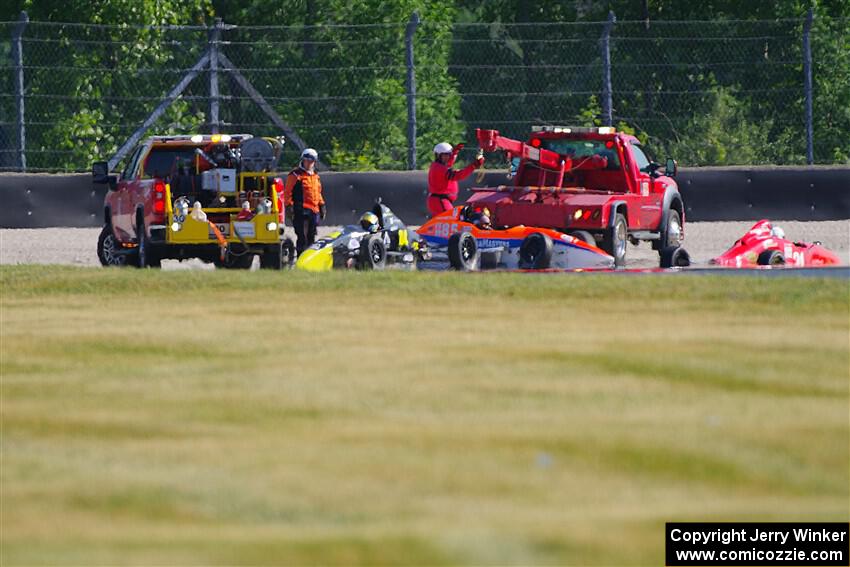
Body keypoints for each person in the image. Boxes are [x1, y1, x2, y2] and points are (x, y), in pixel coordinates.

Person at [284, 148, 326, 253]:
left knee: (311, 237)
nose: (308, 163)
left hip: (314, 210)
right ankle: (300, 259)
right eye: (306, 160)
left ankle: (310, 262)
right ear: (303, 160)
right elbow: (287, 192)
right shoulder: (295, 175)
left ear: (314, 162)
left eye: (311, 161)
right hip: (301, 210)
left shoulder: (315, 176)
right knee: (302, 237)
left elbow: (318, 192)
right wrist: (289, 206)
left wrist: (322, 205)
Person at [427, 142, 484, 217]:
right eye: (445, 155)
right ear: (438, 155)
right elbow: (457, 176)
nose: (447, 157)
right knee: (451, 219)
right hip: (439, 200)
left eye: (449, 155)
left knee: (443, 222)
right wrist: (473, 166)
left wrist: (454, 152)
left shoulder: (439, 166)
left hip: (439, 200)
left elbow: (449, 163)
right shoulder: (439, 168)